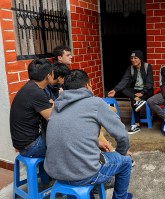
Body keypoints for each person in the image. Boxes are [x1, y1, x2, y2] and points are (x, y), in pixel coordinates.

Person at [44, 69, 133, 199]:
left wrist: (96, 142)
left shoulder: (57, 106)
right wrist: (120, 153)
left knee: (87, 158)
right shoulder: (95, 103)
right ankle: (121, 197)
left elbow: (70, 133)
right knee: (125, 162)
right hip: (84, 174)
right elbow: (122, 135)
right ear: (87, 86)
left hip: (56, 173)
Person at [10, 59, 54, 157]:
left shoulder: (30, 87)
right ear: (48, 76)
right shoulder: (36, 92)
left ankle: (44, 172)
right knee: (65, 145)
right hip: (31, 146)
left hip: (23, 143)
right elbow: (53, 119)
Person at [108, 50, 154, 134]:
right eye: (131, 58)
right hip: (136, 91)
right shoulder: (131, 68)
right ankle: (138, 100)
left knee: (134, 102)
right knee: (123, 89)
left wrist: (143, 92)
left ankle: (137, 125)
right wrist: (115, 90)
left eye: (135, 58)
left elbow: (150, 82)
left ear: (140, 59)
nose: (133, 60)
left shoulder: (147, 66)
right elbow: (124, 80)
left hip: (147, 91)